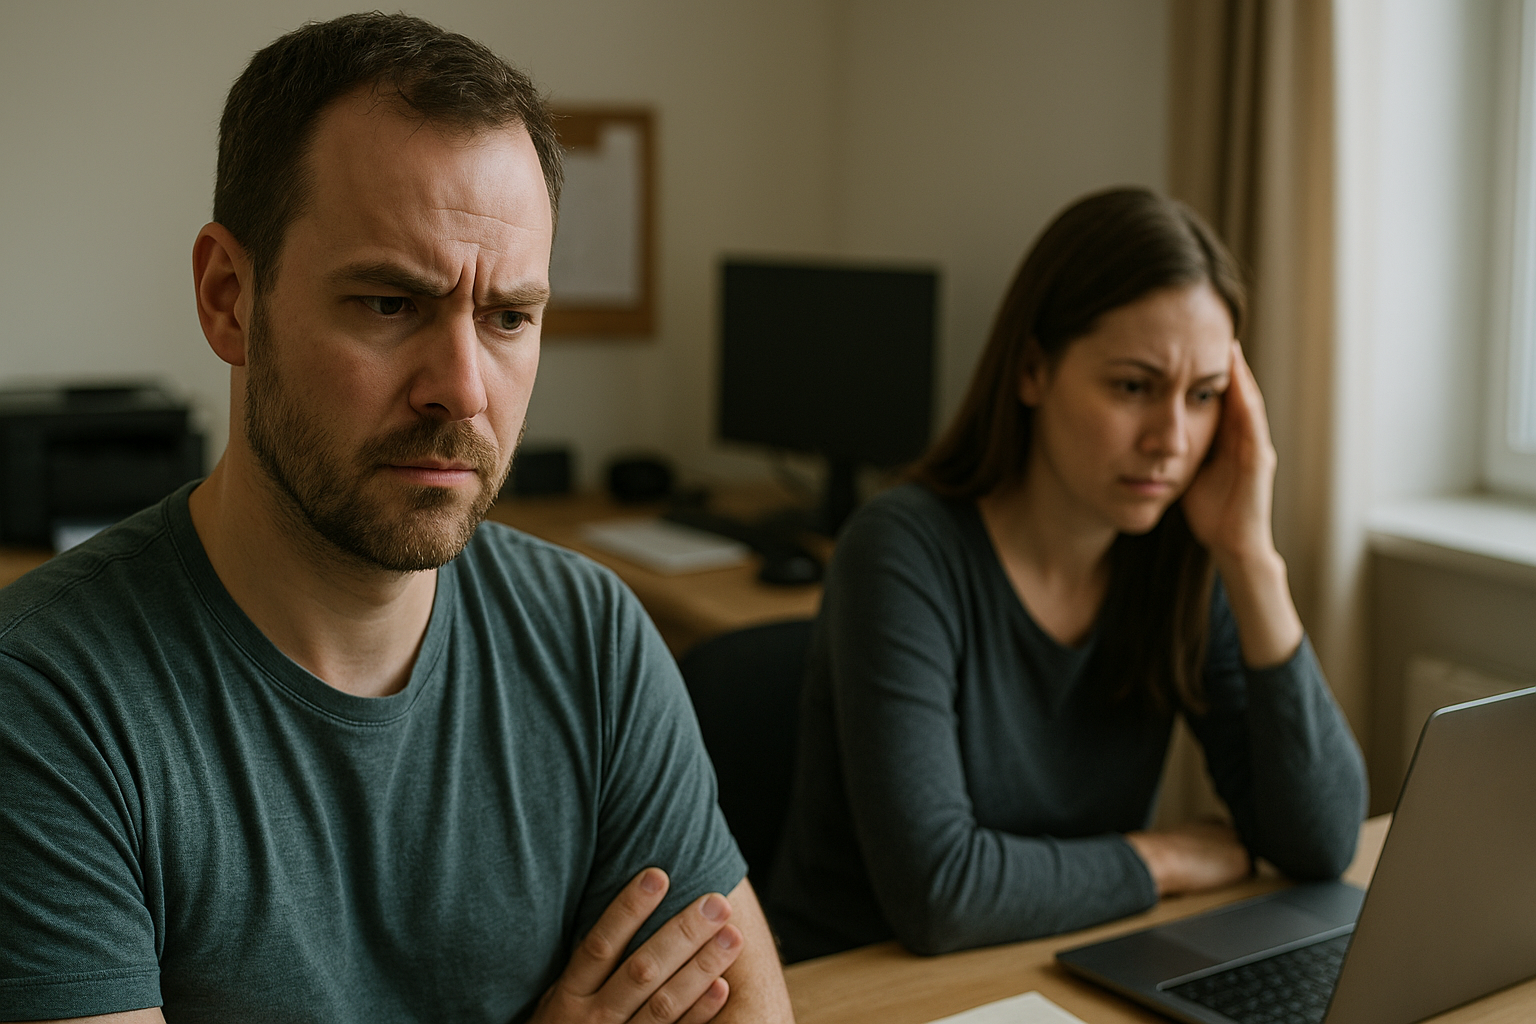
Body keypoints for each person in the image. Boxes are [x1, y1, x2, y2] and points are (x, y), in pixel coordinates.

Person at [0, 14, 792, 1023]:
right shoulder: (46, 704)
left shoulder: (592, 637)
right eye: (388, 303)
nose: (462, 389)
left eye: (508, 316)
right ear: (228, 297)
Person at [765, 187, 1368, 962]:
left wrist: (1251, 558)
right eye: (1133, 386)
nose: (1172, 440)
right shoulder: (900, 550)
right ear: (1031, 371)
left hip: (1058, 963)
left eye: (1205, 396)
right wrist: (1165, 856)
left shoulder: (1180, 559)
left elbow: (1320, 841)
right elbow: (940, 893)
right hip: (866, 987)